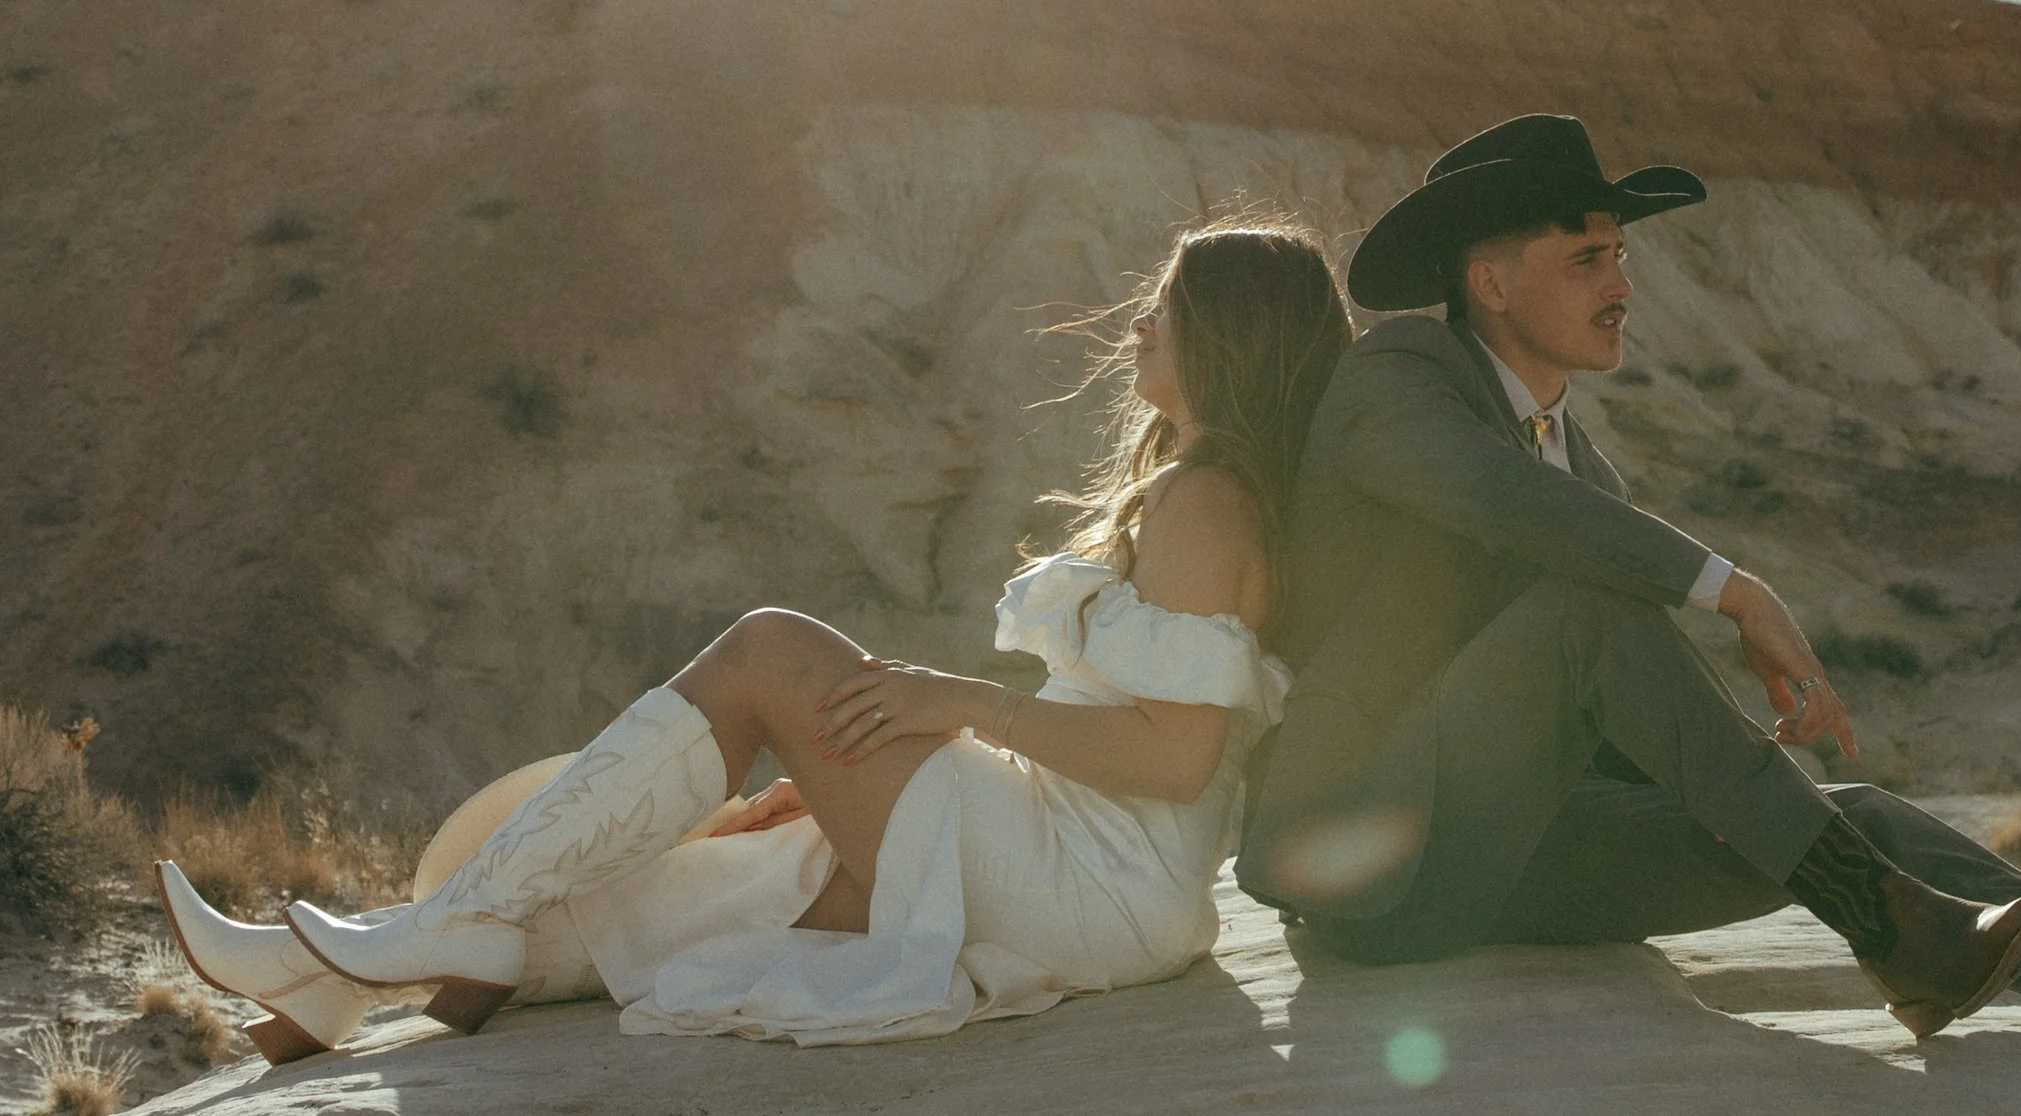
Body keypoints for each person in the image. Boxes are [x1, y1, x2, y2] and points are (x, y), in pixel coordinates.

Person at [1237, 114, 2021, 1090]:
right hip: (1372, 878)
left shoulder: (1576, 453)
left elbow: (1598, 668)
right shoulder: (1400, 378)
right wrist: (1734, 591)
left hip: (1526, 850)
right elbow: (1508, 514)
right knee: (1591, 613)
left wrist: (1733, 771)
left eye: (1623, 253)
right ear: (1488, 280)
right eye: (1586, 257)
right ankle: (1902, 932)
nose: (1623, 281)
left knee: (1861, 818)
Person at [156, 220, 1347, 1057]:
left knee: (774, 648)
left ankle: (415, 936)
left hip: (1101, 883)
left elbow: (1177, 760)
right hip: (1082, 858)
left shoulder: (1209, 503)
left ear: (1225, 334)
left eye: (1167, 304)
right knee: (729, 877)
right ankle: (334, 985)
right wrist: (867, 774)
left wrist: (961, 709)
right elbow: (1117, 728)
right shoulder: (1197, 493)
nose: (1138, 321)